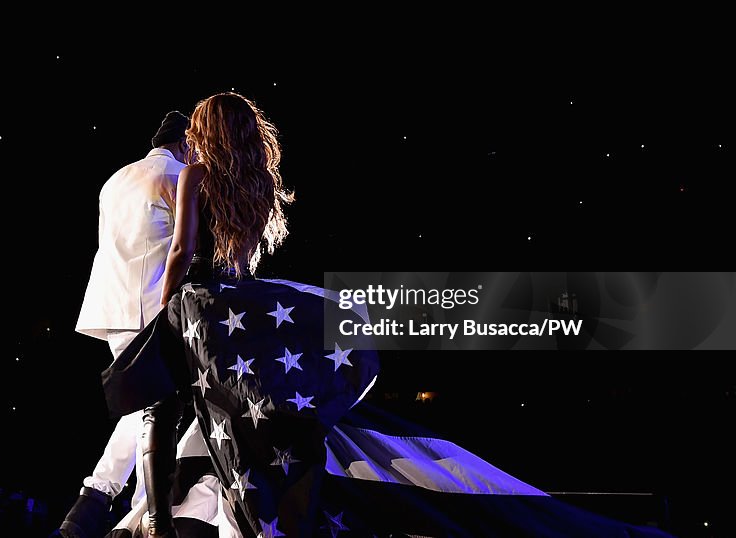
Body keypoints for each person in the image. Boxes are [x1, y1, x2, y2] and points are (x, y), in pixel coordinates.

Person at [101, 93, 674, 537]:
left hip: (201, 309)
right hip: (241, 310)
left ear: (206, 133)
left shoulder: (196, 177)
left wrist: (168, 306)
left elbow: (180, 249)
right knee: (245, 423)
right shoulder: (255, 185)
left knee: (179, 412)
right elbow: (244, 263)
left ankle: (154, 520)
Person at [58, 111, 190, 538]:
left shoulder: (114, 180)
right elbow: (180, 246)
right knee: (156, 409)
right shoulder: (180, 175)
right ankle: (117, 507)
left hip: (110, 306)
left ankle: (100, 508)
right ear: (184, 143)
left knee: (144, 409)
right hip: (149, 305)